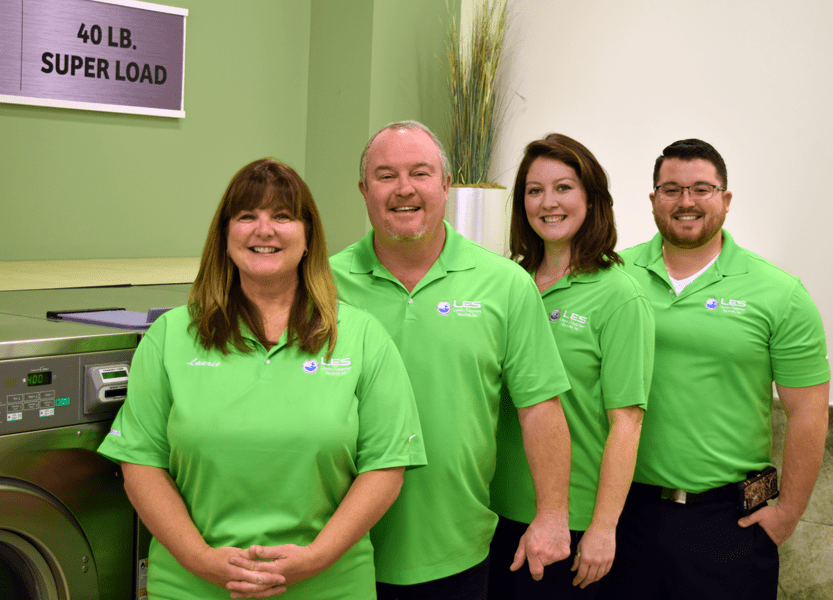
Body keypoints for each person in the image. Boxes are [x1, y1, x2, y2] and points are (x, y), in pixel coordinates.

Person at [97, 158, 426, 600]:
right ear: (226, 237)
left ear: (309, 237)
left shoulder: (362, 337)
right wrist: (200, 560)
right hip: (192, 586)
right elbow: (140, 463)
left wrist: (315, 558)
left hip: (328, 585)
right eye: (247, 216)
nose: (264, 230)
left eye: (283, 216)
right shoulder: (171, 336)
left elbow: (386, 466)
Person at [330, 121, 572, 600]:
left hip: (457, 549)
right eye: (385, 175)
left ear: (445, 184)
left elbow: (540, 407)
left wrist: (552, 515)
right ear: (363, 190)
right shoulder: (321, 284)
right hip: (338, 549)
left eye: (420, 173)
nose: (404, 189)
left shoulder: (504, 285)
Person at [596, 139, 831, 599]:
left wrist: (787, 515)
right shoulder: (613, 276)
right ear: (652, 200)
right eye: (671, 189)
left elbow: (809, 413)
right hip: (626, 516)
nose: (686, 201)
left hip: (730, 523)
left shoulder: (779, 292)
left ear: (725, 198)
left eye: (702, 188)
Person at [488, 133, 654, 599]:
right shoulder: (509, 284)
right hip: (492, 513)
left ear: (592, 198)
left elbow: (627, 423)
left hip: (571, 525)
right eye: (534, 190)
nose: (548, 202)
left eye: (564, 187)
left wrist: (603, 529)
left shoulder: (619, 294)